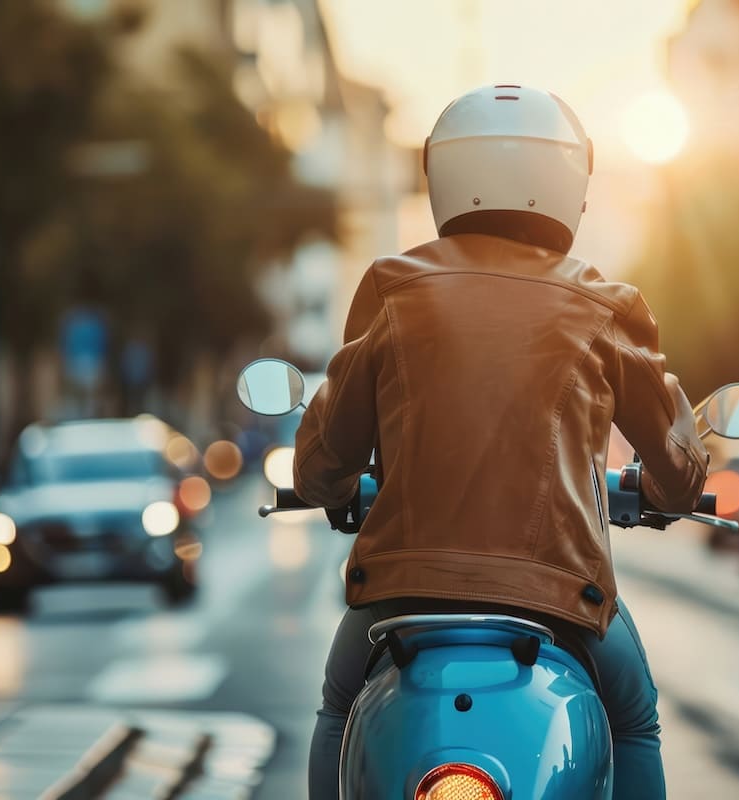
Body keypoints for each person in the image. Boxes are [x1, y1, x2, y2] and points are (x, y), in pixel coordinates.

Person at [295, 84, 710, 799]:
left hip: (400, 598)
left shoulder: (393, 290)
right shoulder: (605, 305)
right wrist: (671, 481)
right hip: (559, 596)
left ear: (444, 177)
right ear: (570, 183)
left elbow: (321, 463)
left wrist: (335, 489)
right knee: (634, 718)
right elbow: (676, 475)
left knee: (339, 705)